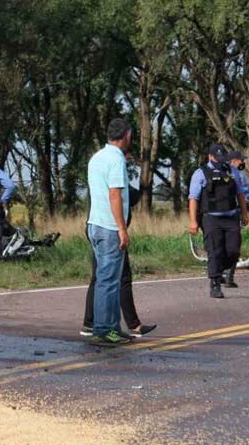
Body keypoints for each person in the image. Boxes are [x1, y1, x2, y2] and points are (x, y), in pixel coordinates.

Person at [81, 184, 157, 338]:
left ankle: (90, 323)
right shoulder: (115, 172)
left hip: (96, 227)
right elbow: (125, 197)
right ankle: (127, 325)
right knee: (122, 278)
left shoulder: (97, 173)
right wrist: (122, 229)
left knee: (99, 277)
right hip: (110, 230)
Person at [85, 118, 132, 347]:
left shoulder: (97, 157)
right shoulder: (117, 159)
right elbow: (115, 195)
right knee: (108, 280)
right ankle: (103, 329)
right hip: (109, 227)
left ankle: (112, 326)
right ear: (126, 135)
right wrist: (122, 229)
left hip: (95, 223)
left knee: (108, 278)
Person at [188, 144, 249, 299]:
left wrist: (244, 214)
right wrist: (193, 221)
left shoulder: (232, 171)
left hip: (231, 217)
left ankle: (221, 269)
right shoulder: (200, 173)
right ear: (210, 156)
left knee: (233, 250)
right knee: (214, 250)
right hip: (211, 218)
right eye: (217, 158)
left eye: (222, 158)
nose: (220, 161)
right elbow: (193, 198)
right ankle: (215, 284)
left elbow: (240, 193)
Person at [224, 150, 249, 288]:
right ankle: (229, 277)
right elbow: (247, 194)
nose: (243, 163)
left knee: (221, 244)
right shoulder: (238, 175)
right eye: (241, 160)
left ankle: (219, 272)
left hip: (216, 214)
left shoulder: (217, 172)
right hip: (233, 213)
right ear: (234, 161)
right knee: (234, 245)